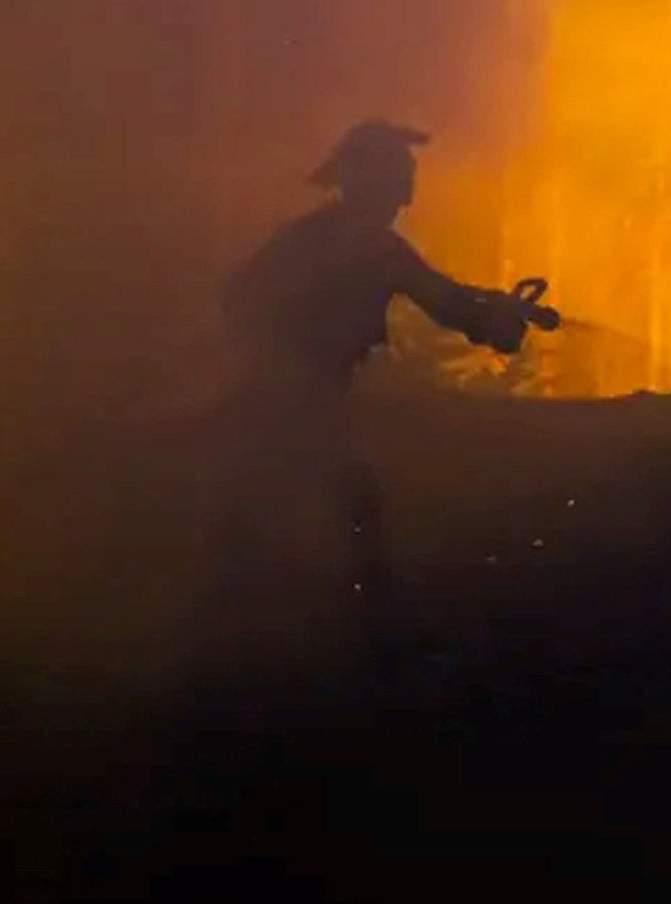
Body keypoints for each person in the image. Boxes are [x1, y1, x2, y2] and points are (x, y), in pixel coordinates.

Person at [207, 120, 556, 664]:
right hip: (300, 393)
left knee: (287, 501)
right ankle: (349, 634)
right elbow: (444, 302)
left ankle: (246, 623)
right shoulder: (365, 245)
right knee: (337, 500)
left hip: (296, 392)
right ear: (376, 180)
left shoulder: (331, 239)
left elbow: (444, 299)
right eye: (400, 172)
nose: (408, 183)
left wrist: (498, 312)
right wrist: (495, 320)